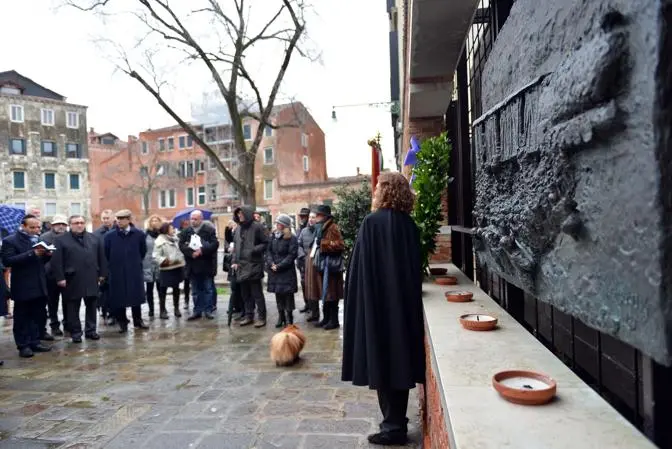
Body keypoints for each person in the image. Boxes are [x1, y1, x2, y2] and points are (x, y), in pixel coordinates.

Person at [341, 172, 425, 446]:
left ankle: (392, 428)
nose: (374, 190)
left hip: (378, 306)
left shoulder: (371, 223)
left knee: (382, 362)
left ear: (384, 191)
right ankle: (396, 422)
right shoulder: (409, 226)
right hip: (402, 307)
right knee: (399, 362)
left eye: (378, 187)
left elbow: (360, 270)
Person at [0, 215, 53, 358]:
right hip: (23, 285)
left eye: (38, 227)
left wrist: (48, 254)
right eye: (32, 227)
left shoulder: (39, 239)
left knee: (38, 315)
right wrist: (32, 253)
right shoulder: (10, 240)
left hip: (39, 284)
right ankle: (23, 345)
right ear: (23, 226)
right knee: (22, 317)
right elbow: (8, 261)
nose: (36, 230)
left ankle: (35, 341)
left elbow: (41, 261)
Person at [51, 215, 107, 343]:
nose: (80, 225)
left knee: (92, 304)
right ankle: (75, 332)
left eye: (82, 222)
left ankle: (91, 330)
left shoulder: (94, 238)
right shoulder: (60, 240)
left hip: (91, 276)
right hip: (72, 278)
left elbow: (101, 257)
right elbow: (56, 260)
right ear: (70, 225)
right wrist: (60, 277)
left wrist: (102, 274)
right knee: (72, 307)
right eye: (76, 223)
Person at [104, 210, 149, 333]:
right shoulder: (110, 236)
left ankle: (138, 320)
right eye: (118, 218)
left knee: (136, 296)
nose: (119, 221)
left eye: (122, 218)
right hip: (116, 270)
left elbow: (142, 251)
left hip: (134, 269)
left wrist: (134, 261)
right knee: (119, 297)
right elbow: (106, 253)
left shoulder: (138, 234)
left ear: (129, 219)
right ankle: (122, 322)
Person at [306, 204, 345, 330]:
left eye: (318, 215)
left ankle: (333, 321)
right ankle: (326, 318)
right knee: (325, 293)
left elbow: (340, 245)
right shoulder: (320, 228)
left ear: (324, 216)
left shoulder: (332, 227)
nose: (315, 217)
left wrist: (323, 244)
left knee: (331, 294)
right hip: (324, 265)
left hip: (331, 267)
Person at [178, 210, 219, 320]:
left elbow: (215, 244)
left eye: (195, 219)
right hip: (192, 265)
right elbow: (181, 245)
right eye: (192, 218)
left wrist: (202, 250)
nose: (193, 221)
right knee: (195, 290)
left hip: (206, 264)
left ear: (201, 219)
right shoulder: (186, 232)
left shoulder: (209, 230)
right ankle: (197, 310)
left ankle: (208, 310)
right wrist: (191, 253)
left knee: (208, 288)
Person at [231, 206, 268, 327]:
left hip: (254, 264)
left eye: (241, 213)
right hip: (241, 266)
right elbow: (236, 248)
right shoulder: (238, 229)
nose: (239, 216)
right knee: (245, 293)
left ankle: (262, 317)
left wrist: (253, 250)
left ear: (246, 213)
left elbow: (265, 242)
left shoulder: (257, 226)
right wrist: (234, 261)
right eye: (238, 214)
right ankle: (249, 315)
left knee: (257, 293)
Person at [266, 214, 299, 328]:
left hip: (286, 271)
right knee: (278, 294)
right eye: (276, 223)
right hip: (274, 271)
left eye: (279, 223)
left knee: (288, 295)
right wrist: (271, 264)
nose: (277, 224)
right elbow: (268, 251)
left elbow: (292, 255)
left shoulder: (292, 238)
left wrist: (279, 266)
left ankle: (289, 318)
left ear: (284, 225)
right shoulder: (273, 236)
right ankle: (281, 316)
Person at [41, 215, 69, 337]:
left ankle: (68, 323)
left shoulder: (70, 236)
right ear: (52, 225)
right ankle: (54, 324)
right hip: (50, 274)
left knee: (68, 301)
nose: (61, 226)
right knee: (52, 301)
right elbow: (40, 256)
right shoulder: (45, 237)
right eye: (58, 224)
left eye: (63, 224)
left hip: (68, 274)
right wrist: (47, 253)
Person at [152, 222, 186, 319]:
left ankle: (176, 309)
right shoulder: (159, 241)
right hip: (166, 269)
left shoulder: (175, 239)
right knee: (163, 290)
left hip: (177, 267)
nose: (173, 230)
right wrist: (166, 261)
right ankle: (162, 310)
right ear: (166, 230)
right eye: (171, 228)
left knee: (176, 289)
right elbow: (156, 256)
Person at [94, 210, 115, 324]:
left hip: (116, 266)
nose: (106, 220)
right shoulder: (97, 234)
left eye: (108, 218)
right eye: (104, 218)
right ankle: (105, 311)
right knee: (104, 292)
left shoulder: (118, 231)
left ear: (113, 218)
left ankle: (114, 314)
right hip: (103, 266)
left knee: (115, 292)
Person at [297, 212, 317, 317]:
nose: (311, 219)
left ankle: (315, 311)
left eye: (313, 217)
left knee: (313, 287)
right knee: (304, 285)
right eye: (310, 217)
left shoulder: (319, 230)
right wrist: (301, 256)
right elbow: (299, 244)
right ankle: (307, 305)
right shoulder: (304, 231)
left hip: (315, 264)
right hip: (304, 263)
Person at [143, 215, 162, 318]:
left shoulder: (162, 234)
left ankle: (162, 308)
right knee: (149, 288)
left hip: (160, 263)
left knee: (161, 288)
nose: (154, 222)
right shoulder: (145, 234)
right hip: (148, 264)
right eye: (152, 221)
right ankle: (151, 309)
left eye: (156, 220)